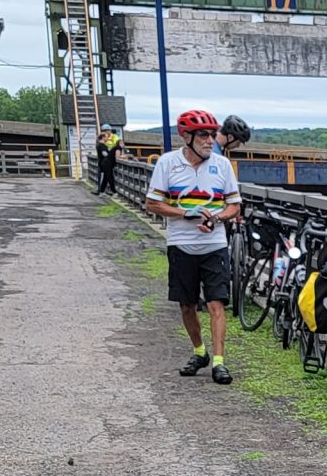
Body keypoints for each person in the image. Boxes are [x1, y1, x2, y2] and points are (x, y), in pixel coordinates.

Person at [144, 109, 242, 384]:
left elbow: (234, 205)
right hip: (181, 243)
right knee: (187, 305)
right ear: (186, 137)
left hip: (214, 243)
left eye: (212, 134)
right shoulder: (167, 163)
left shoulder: (222, 166)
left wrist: (217, 217)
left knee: (216, 304)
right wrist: (183, 213)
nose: (210, 140)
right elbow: (152, 203)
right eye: (203, 135)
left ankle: (220, 363)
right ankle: (200, 352)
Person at [96, 126, 121, 194]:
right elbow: (104, 154)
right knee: (110, 177)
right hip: (105, 163)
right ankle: (114, 191)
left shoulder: (101, 145)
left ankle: (101, 191)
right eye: (107, 137)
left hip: (103, 163)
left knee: (106, 178)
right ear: (103, 137)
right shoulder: (101, 145)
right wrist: (111, 156)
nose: (108, 138)